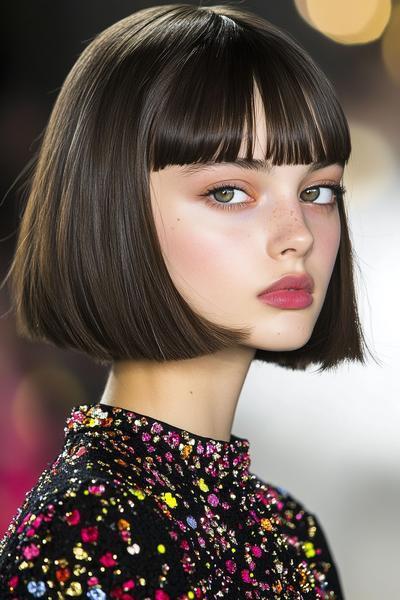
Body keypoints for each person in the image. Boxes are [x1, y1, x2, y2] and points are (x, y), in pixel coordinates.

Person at [0, 3, 373, 598]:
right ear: (113, 211)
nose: (298, 233)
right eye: (229, 191)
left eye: (318, 190)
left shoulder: (291, 533)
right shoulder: (82, 533)